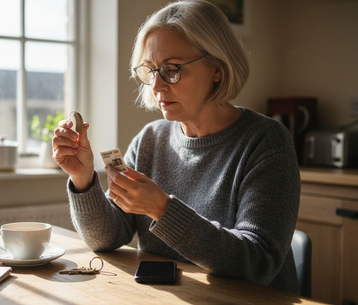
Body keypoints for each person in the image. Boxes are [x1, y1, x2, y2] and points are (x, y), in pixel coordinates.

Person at [52, 0, 300, 294]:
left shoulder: (266, 141)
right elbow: (107, 237)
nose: (156, 86)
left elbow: (258, 263)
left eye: (172, 70)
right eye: (151, 70)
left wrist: (162, 209)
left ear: (217, 69)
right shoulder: (150, 140)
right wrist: (83, 179)